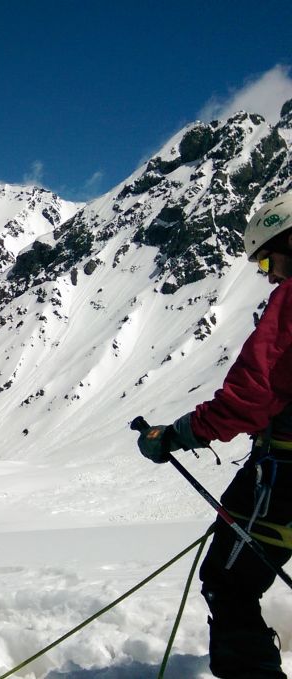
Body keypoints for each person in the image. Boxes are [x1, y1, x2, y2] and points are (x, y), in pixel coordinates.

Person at [137, 190, 292, 678]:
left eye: (268, 258)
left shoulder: (291, 300)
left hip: (285, 477)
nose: (268, 274)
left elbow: (253, 395)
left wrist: (177, 435)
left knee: (228, 580)